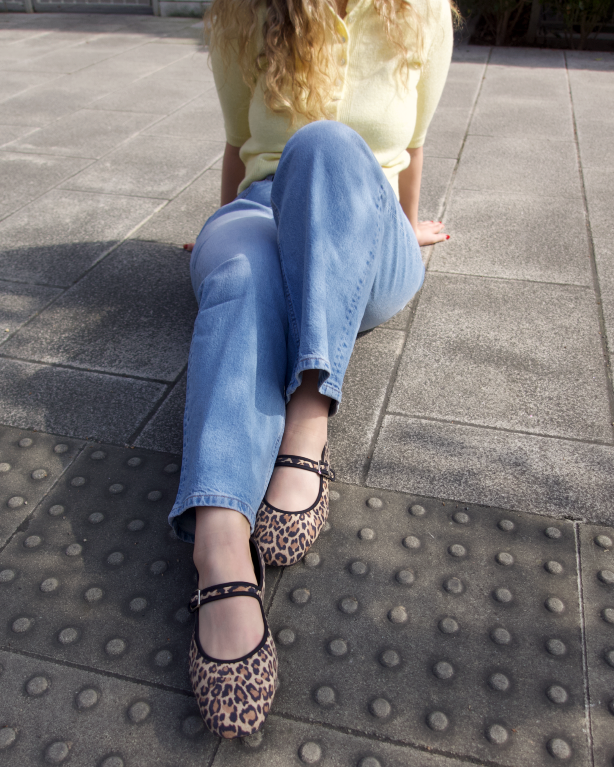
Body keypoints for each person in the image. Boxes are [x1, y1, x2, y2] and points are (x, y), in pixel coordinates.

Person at [170, 0, 456, 739]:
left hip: (362, 228)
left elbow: (412, 148)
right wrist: (223, 233)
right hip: (262, 209)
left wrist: (407, 226)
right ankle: (219, 542)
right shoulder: (240, 10)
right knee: (241, 276)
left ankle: (309, 411)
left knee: (326, 144)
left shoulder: (423, 11)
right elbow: (240, 146)